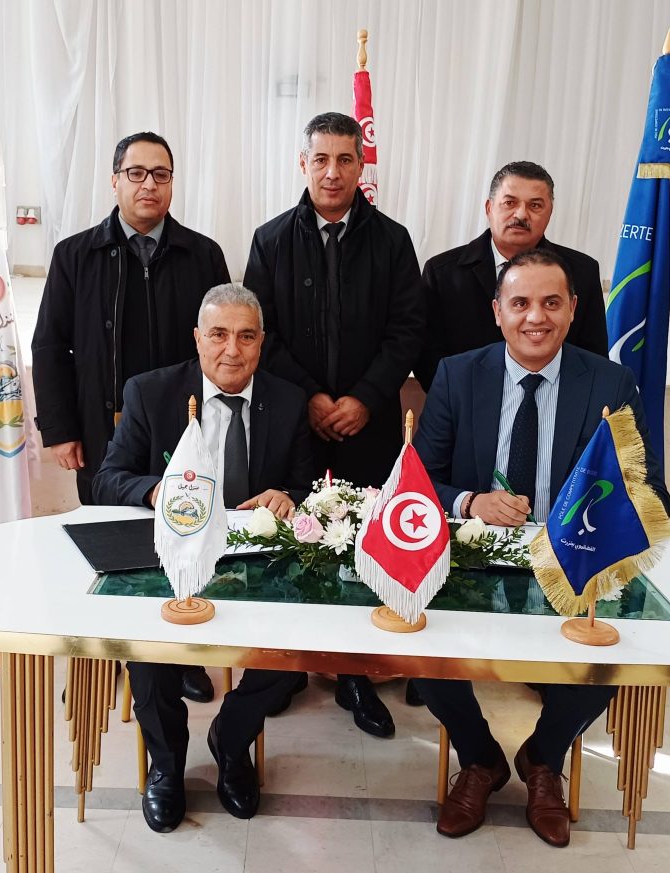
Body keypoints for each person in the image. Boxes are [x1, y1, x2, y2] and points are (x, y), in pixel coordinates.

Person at [413, 248, 670, 844]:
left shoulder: (609, 382)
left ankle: (544, 758)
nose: (536, 317)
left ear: (573, 309)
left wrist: (586, 519)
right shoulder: (458, 374)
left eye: (552, 303)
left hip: (573, 559)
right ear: (498, 311)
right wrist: (469, 502)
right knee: (418, 641)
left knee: (616, 651)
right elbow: (418, 480)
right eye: (521, 303)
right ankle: (480, 758)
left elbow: (652, 492)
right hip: (476, 556)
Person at [93, 284, 313, 833]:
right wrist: (160, 491)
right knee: (148, 658)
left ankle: (230, 743)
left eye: (246, 337)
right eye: (218, 335)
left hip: (252, 565)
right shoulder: (151, 392)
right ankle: (166, 766)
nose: (232, 351)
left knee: (293, 653)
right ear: (197, 339)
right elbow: (108, 478)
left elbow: (308, 486)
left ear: (262, 342)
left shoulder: (289, 401)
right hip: (174, 557)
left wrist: (287, 496)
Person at [243, 111, 425, 739]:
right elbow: (261, 333)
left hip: (367, 425)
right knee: (291, 536)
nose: (332, 172)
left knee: (360, 543)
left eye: (345, 159)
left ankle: (354, 670)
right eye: (320, 159)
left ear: (360, 166)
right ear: (303, 164)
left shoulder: (393, 241)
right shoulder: (270, 240)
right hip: (293, 423)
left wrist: (364, 399)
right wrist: (312, 400)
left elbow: (407, 330)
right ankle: (285, 666)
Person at [33, 131, 228, 703]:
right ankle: (111, 653)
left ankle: (179, 656)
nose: (149, 184)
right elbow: (50, 346)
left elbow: (218, 342)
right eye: (136, 173)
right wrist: (61, 429)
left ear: (172, 183)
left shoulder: (202, 254)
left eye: (160, 174)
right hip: (100, 427)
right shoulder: (76, 254)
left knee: (184, 533)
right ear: (114, 180)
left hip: (181, 428)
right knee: (112, 541)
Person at [415, 161, 608, 391]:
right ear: (489, 208)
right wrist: (463, 400)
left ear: (550, 213)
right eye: (509, 203)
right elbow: (427, 357)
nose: (521, 214)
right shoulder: (443, 273)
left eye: (535, 205)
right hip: (465, 404)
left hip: (557, 405)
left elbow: (592, 358)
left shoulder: (582, 272)